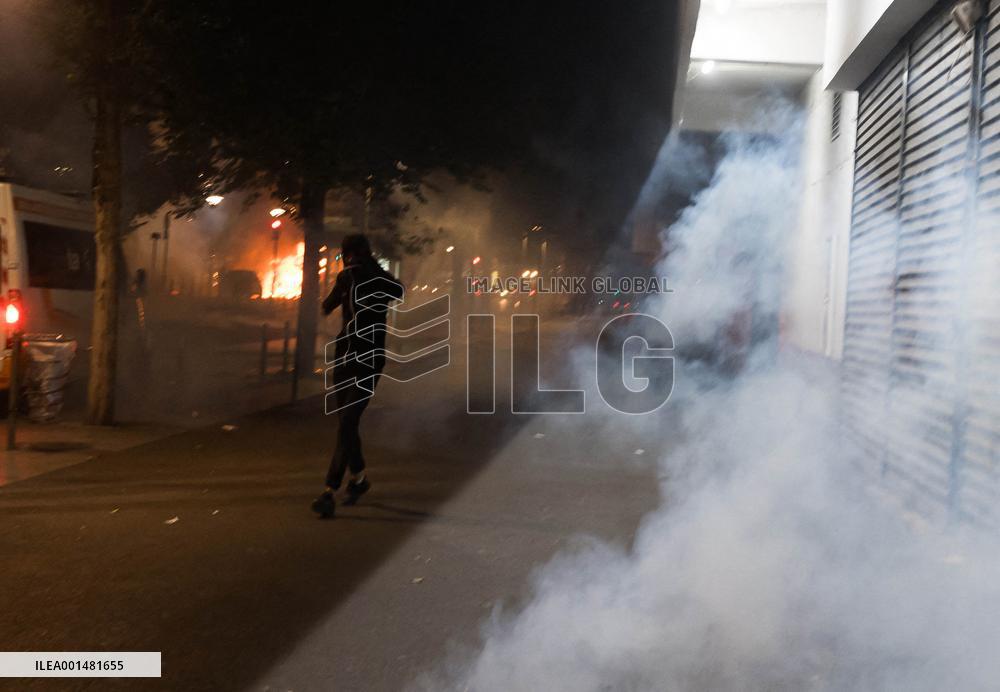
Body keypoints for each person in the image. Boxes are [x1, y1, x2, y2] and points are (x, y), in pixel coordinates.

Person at [312, 234, 404, 518]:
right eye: (346, 255)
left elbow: (398, 290)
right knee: (345, 424)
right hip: (344, 358)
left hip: (370, 359)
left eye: (353, 254)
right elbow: (327, 306)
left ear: (363, 253)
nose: (349, 260)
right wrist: (344, 285)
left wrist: (369, 271)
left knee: (349, 421)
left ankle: (329, 490)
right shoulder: (346, 279)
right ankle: (360, 479)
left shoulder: (380, 279)